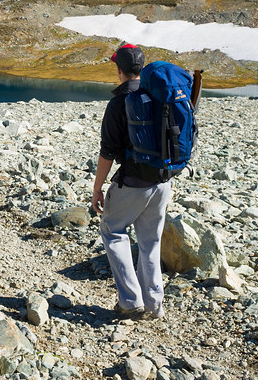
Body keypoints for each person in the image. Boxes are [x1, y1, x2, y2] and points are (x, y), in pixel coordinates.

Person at [91, 42, 171, 320]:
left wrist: (97, 188)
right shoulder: (159, 96)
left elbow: (107, 153)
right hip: (163, 182)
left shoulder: (118, 104)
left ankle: (130, 301)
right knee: (150, 241)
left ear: (119, 69)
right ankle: (154, 304)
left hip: (133, 183)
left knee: (113, 230)